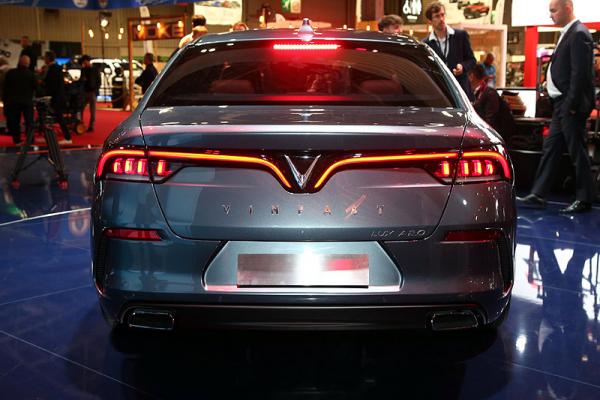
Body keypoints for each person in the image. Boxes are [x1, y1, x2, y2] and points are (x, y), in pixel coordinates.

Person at [518, 0, 595, 213]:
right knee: (551, 149)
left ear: (567, 8)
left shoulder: (578, 33)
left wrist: (571, 105)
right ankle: (539, 194)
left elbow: (580, 74)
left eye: (554, 10)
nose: (550, 15)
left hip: (570, 105)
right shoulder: (570, 32)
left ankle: (584, 198)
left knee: (577, 151)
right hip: (562, 104)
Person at [423, 2, 476, 100]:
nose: (441, 19)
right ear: (430, 21)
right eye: (437, 16)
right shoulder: (426, 44)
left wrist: (463, 67)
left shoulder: (460, 36)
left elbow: (472, 60)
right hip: (440, 95)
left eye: (442, 15)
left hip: (462, 93)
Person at [468, 64, 516, 140]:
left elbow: (490, 119)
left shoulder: (489, 93)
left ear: (472, 76)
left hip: (492, 136)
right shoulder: (477, 92)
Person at [2, 55, 36, 145]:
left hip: (13, 101)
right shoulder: (31, 74)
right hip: (27, 102)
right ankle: (30, 140)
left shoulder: (11, 73)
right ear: (28, 64)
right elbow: (36, 87)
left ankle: (16, 140)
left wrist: (5, 101)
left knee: (15, 121)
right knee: (29, 121)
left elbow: (5, 88)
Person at [42, 50, 72, 145]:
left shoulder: (53, 69)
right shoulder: (56, 68)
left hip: (55, 97)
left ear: (48, 58)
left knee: (59, 117)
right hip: (58, 97)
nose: (44, 59)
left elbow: (52, 85)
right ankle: (49, 137)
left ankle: (67, 138)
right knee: (55, 117)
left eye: (45, 57)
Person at [79, 55, 101, 132]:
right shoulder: (84, 69)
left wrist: (95, 91)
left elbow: (99, 81)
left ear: (87, 61)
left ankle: (91, 126)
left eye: (84, 62)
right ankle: (80, 124)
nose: (84, 63)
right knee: (81, 108)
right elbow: (81, 80)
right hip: (85, 92)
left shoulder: (94, 69)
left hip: (92, 92)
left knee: (92, 111)